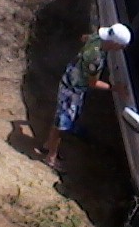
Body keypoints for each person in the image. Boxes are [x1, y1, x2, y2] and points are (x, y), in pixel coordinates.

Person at [41, 23, 131, 170]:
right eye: (121, 47)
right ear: (114, 44)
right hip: (72, 89)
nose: (121, 50)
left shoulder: (97, 37)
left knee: (63, 119)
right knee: (62, 124)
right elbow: (93, 83)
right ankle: (51, 156)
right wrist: (115, 88)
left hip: (71, 77)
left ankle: (48, 144)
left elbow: (84, 38)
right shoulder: (95, 58)